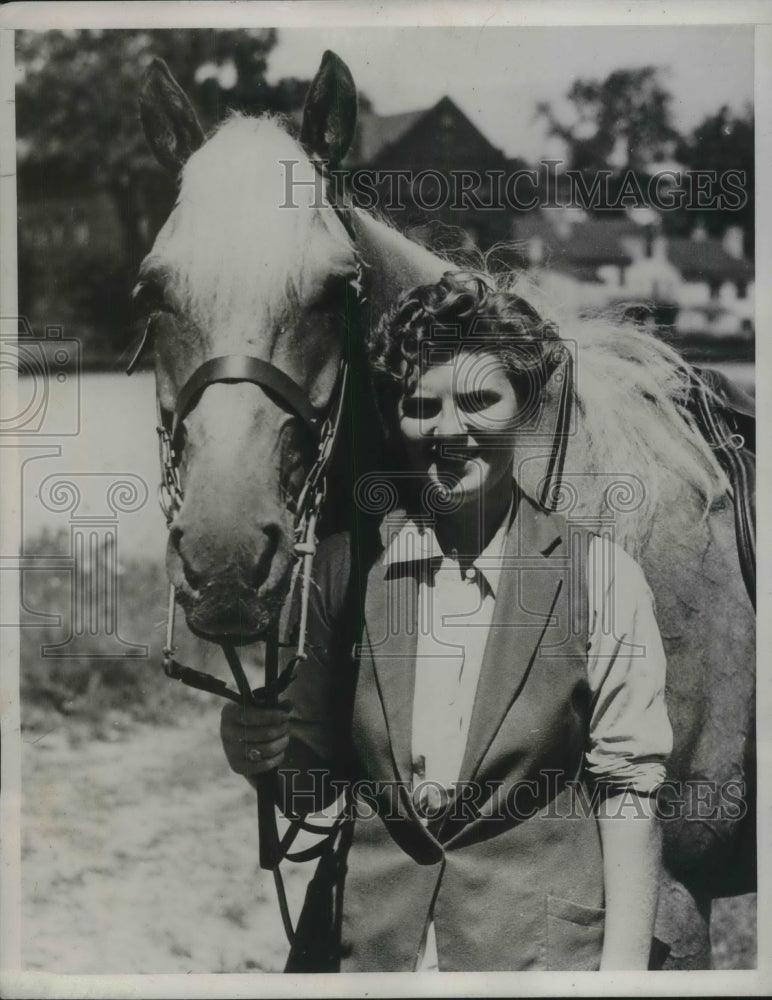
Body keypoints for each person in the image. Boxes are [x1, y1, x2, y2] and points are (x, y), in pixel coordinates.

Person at [220, 271, 673, 972]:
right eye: (421, 405)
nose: (448, 431)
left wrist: (622, 978)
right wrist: (256, 755)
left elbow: (629, 794)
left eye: (479, 400)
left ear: (524, 409)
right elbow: (307, 786)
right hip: (365, 954)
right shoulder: (340, 575)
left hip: (535, 957)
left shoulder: (602, 580)